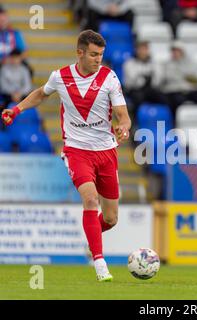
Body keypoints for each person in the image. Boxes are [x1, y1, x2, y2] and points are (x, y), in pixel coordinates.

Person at [1, 30, 132, 282]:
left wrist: (124, 126)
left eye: (101, 55)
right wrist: (16, 110)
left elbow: (122, 114)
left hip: (106, 151)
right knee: (90, 199)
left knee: (111, 218)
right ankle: (99, 262)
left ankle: (92, 243)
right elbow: (40, 94)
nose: (98, 60)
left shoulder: (109, 77)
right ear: (80, 53)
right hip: (76, 150)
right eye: (93, 55)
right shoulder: (60, 77)